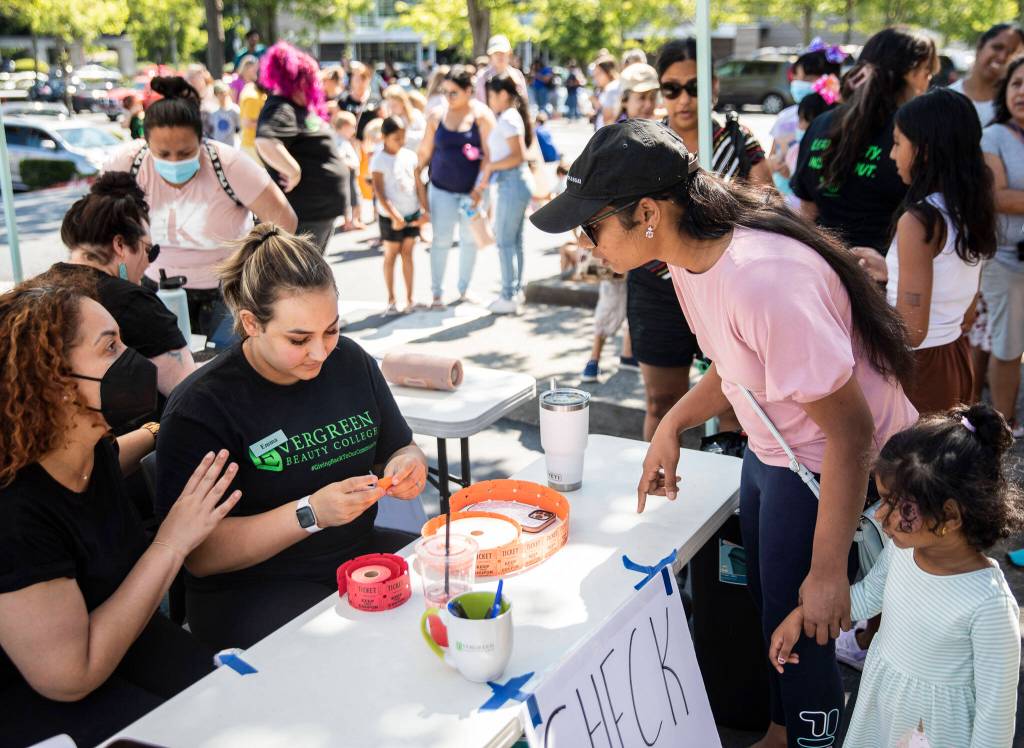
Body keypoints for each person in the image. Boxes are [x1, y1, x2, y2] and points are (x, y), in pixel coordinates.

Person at [530, 119, 918, 748]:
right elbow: (737, 368)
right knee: (768, 611)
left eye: (591, 224)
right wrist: (674, 425)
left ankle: (809, 737)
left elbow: (853, 434)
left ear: (649, 213)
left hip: (828, 465)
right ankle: (777, 730)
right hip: (778, 454)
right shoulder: (685, 260)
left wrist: (827, 573)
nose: (584, 242)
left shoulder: (763, 279)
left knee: (807, 625)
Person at [155, 225, 429, 650]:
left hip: (358, 560)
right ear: (250, 323)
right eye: (299, 339)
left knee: (448, 591)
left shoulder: (351, 361)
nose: (321, 352)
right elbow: (200, 556)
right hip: (252, 590)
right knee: (364, 650)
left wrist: (406, 464)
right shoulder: (204, 408)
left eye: (331, 330)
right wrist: (310, 513)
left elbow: (397, 447)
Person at [0, 281, 240, 747]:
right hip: (45, 697)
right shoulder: (14, 511)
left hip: (126, 642)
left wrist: (165, 426)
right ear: (54, 382)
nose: (133, 360)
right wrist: (172, 542)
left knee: (240, 697)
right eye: (110, 347)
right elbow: (70, 677)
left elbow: (113, 458)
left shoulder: (87, 448)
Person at [771, 404, 1022, 748]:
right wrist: (802, 616)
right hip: (884, 715)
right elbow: (869, 595)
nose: (882, 516)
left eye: (896, 505)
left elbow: (995, 723)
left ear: (949, 515)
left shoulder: (990, 607)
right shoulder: (903, 552)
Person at [625, 38, 769, 440]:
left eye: (695, 87)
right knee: (661, 403)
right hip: (658, 287)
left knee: (734, 404)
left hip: (724, 289)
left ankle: (728, 494)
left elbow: (767, 207)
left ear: (714, 87)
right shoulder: (643, 143)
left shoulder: (738, 140)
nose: (684, 99)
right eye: (672, 89)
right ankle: (661, 493)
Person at [104, 76, 297, 336]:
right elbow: (100, 227)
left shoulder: (230, 165)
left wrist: (254, 277)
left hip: (226, 295)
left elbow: (285, 222)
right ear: (146, 143)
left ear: (201, 140)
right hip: (153, 288)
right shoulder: (126, 163)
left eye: (185, 153)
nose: (173, 162)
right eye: (162, 154)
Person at [879, 89, 997, 414]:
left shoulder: (918, 221)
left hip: (918, 372)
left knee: (905, 465)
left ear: (924, 151)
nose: (892, 154)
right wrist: (890, 269)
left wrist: (861, 303)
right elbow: (968, 313)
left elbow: (911, 332)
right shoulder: (969, 209)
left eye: (898, 142)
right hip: (956, 358)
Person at [45, 172, 196, 401]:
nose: (148, 261)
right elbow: (188, 393)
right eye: (149, 250)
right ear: (120, 245)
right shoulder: (133, 303)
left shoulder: (39, 288)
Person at [792, 28, 938, 256]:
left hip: (825, 267)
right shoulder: (913, 134)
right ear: (911, 72)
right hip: (887, 273)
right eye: (927, 73)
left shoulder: (821, 124)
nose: (928, 83)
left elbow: (807, 210)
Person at [255, 42, 348, 253]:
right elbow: (265, 141)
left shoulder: (294, 108)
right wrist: (293, 171)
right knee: (303, 280)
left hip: (317, 211)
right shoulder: (281, 107)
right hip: (306, 212)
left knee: (310, 276)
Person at [417, 65, 494, 308]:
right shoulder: (436, 116)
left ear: (468, 91)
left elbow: (489, 157)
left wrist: (479, 188)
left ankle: (464, 288)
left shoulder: (482, 116)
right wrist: (414, 174)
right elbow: (425, 152)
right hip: (441, 188)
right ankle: (437, 293)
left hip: (471, 191)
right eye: (445, 92)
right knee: (440, 240)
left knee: (469, 240)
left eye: (454, 93)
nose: (448, 98)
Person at [981, 56, 1024, 436]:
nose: (1022, 91)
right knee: (1008, 344)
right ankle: (1003, 426)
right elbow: (999, 198)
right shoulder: (993, 136)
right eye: (1016, 83)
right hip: (1008, 259)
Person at [480, 73, 535, 314]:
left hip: (511, 182)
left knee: (505, 241)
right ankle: (514, 291)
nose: (490, 100)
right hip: (515, 182)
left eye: (492, 95)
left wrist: (491, 166)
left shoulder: (509, 118)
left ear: (503, 94)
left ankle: (508, 294)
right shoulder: (511, 116)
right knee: (514, 241)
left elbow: (517, 155)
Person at [769, 43, 845, 197]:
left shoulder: (840, 118)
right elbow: (772, 156)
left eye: (808, 78)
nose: (799, 82)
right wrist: (775, 165)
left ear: (830, 80)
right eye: (796, 76)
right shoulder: (785, 117)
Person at [371, 117, 423, 314]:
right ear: (384, 137)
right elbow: (379, 192)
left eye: (403, 137)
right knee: (391, 255)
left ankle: (410, 298)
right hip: (390, 216)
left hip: (411, 212)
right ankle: (392, 299)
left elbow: (418, 185)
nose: (401, 141)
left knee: (408, 254)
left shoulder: (410, 156)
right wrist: (394, 216)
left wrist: (424, 210)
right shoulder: (378, 160)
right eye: (396, 138)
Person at [950, 23, 1024, 125]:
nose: (1002, 57)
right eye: (997, 47)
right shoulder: (947, 98)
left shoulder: (1015, 108)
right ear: (980, 45)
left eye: (1012, 53)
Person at [332, 110, 363, 230]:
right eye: (352, 127)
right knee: (354, 196)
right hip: (348, 173)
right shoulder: (340, 141)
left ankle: (349, 221)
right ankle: (352, 221)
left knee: (349, 197)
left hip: (348, 172)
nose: (354, 131)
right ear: (345, 127)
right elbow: (339, 157)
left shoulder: (341, 140)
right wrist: (350, 164)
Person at [474, 35, 528, 102]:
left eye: (503, 53)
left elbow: (523, 101)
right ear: (490, 55)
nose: (500, 56)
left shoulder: (517, 75)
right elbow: (478, 103)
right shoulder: (482, 76)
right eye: (496, 53)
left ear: (509, 54)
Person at [340, 61, 383, 143]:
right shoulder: (343, 100)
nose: (360, 82)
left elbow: (381, 123)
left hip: (370, 146)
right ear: (351, 80)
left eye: (363, 78)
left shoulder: (375, 100)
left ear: (368, 79)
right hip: (348, 145)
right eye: (356, 78)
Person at [383, 84, 427, 154]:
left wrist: (405, 135)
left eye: (394, 105)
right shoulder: (391, 122)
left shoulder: (415, 115)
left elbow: (425, 135)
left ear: (402, 102)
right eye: (389, 106)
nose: (391, 109)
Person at [236, 56, 265, 160]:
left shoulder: (254, 90)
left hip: (255, 145)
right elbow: (247, 122)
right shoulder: (252, 95)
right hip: (252, 146)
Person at [591, 56, 620, 129]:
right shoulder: (600, 89)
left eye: (599, 73)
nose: (596, 77)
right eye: (595, 74)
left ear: (608, 72)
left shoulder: (615, 89)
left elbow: (609, 119)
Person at [208, 81, 240, 147]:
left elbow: (238, 129)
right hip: (217, 146)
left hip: (231, 147)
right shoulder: (212, 112)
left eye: (224, 93)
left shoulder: (234, 110)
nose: (222, 96)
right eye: (219, 94)